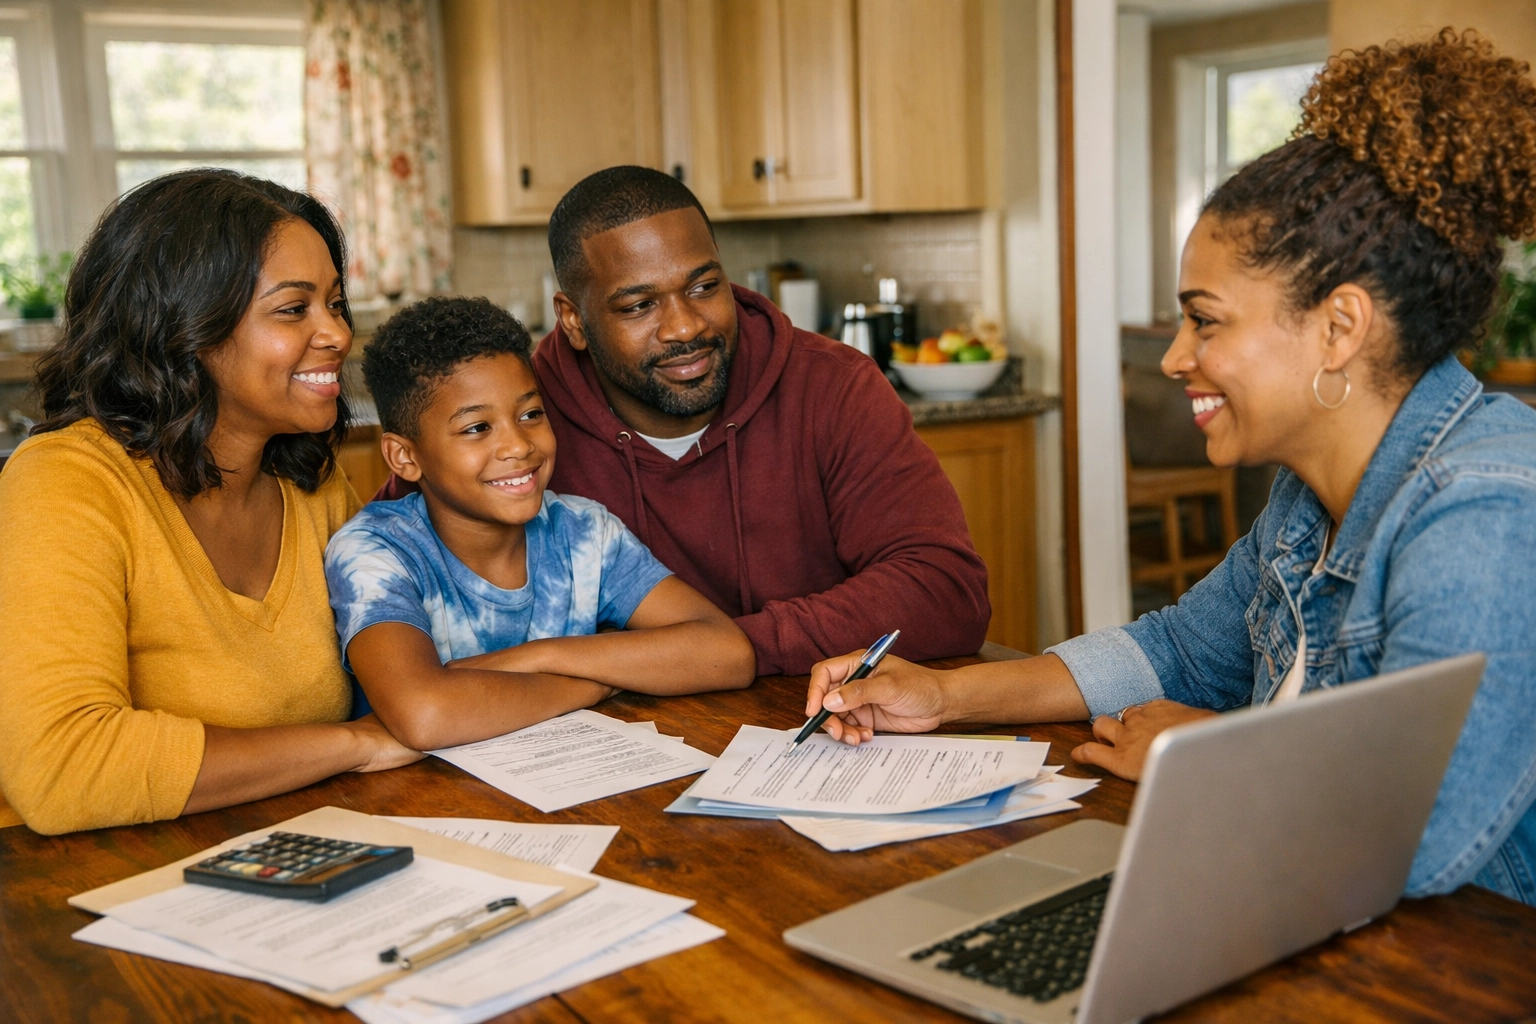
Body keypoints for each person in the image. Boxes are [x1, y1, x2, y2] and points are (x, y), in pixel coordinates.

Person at [803, 30, 1536, 905]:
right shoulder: (1311, 496)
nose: (1175, 356)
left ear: (1340, 328)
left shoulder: (1485, 517)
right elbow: (1180, 651)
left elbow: (1407, 838)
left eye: (1206, 320)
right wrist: (943, 697)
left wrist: (1201, 758)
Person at [380, 166, 991, 675]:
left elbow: (945, 593)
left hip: (821, 723)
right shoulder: (519, 421)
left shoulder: (832, 386)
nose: (685, 327)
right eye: (639, 305)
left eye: (703, 287)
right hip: (606, 745)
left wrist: (716, 651)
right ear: (571, 319)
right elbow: (395, 556)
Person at [0, 170, 421, 835]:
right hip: (108, 884)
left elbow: (420, 663)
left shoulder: (311, 480)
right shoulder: (65, 481)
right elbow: (62, 768)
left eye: (335, 303)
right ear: (186, 327)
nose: (338, 334)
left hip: (307, 844)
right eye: (294, 309)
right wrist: (356, 744)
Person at [326, 297, 755, 750]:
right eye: (477, 428)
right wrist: (595, 682)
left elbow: (727, 653)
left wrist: (536, 657)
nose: (518, 445)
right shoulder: (376, 552)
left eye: (531, 414)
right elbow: (426, 714)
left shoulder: (583, 531)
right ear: (405, 457)